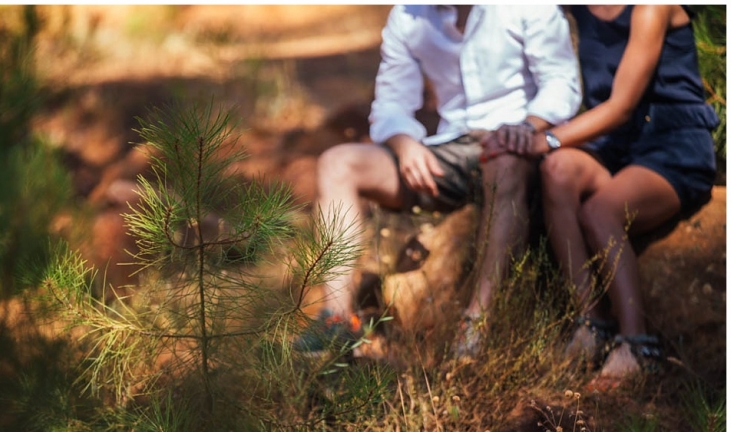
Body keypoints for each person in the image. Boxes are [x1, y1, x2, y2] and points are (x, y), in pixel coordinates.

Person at [297, 5, 581, 358]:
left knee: (504, 162)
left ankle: (477, 322)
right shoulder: (409, 14)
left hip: (519, 142)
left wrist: (527, 126)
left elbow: (561, 85)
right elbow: (391, 102)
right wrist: (404, 144)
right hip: (449, 147)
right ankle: (336, 320)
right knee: (336, 163)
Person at [484, 5, 719, 389]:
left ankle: (637, 346)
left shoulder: (650, 8)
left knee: (598, 211)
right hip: (616, 147)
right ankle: (592, 323)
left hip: (671, 144)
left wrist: (541, 140)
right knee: (556, 170)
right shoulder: (576, 9)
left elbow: (621, 105)